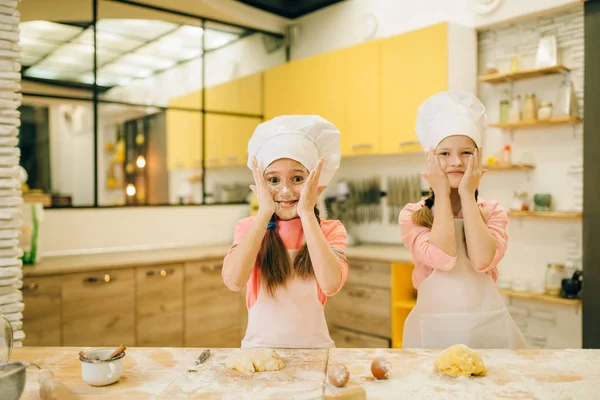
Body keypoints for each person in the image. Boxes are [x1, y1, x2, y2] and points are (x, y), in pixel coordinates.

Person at [399, 91, 525, 349]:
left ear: (478, 157)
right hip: (433, 331)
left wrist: (467, 193)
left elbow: (482, 261)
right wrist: (442, 194)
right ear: (430, 158)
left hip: (486, 330)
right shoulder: (413, 215)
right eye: (444, 153)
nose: (456, 161)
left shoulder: (493, 212)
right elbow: (443, 258)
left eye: (466, 152)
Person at [222, 115, 348, 349]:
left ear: (317, 185)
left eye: (298, 178)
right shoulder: (249, 228)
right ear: (260, 184)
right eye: (273, 180)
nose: (285, 190)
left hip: (315, 354)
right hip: (259, 353)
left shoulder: (330, 230)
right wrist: (263, 213)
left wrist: (308, 214)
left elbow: (331, 285)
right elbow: (233, 280)